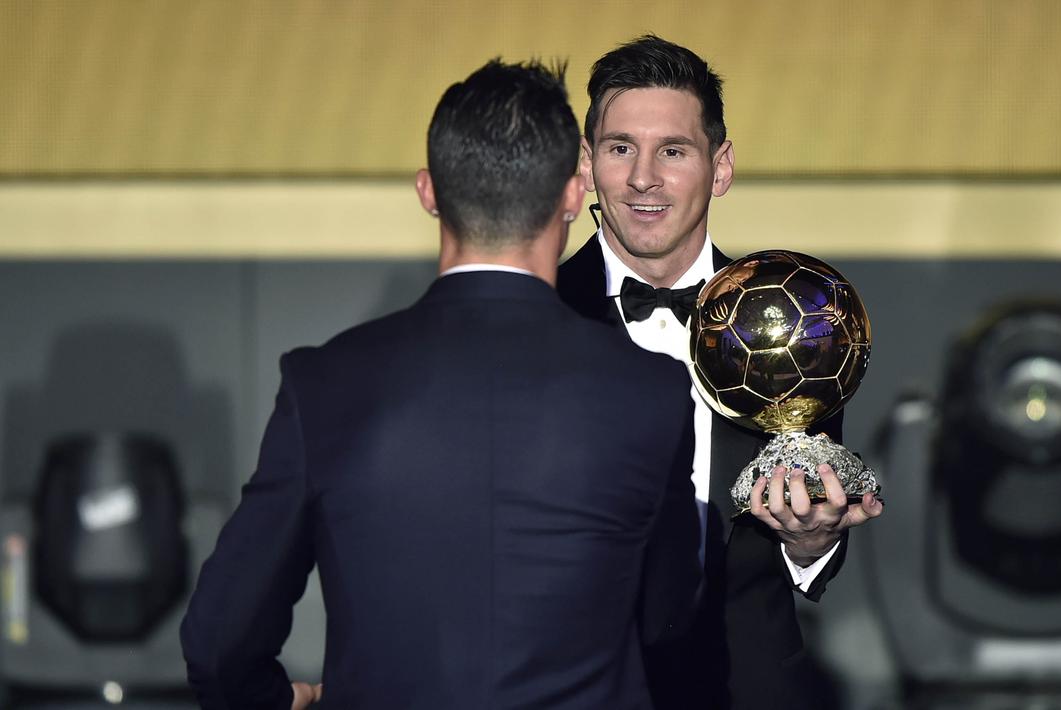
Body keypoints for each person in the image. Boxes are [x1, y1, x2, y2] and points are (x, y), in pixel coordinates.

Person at [180, 59, 702, 710]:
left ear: (428, 191)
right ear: (574, 194)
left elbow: (218, 643)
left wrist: (277, 699)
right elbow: (670, 616)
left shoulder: (325, 383)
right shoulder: (650, 390)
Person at [556, 35, 884, 709]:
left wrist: (811, 542)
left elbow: (808, 542)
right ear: (587, 163)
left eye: (673, 151)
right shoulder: (536, 313)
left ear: (721, 166)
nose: (643, 177)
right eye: (620, 148)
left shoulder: (795, 318)